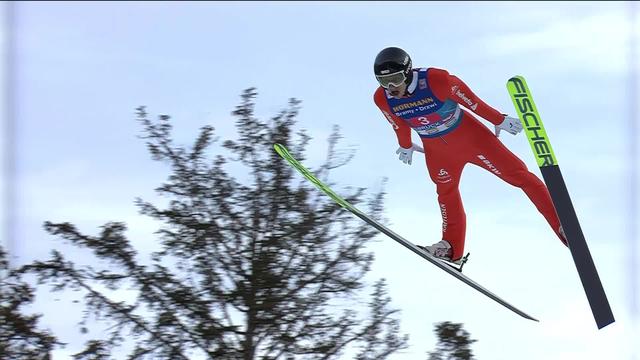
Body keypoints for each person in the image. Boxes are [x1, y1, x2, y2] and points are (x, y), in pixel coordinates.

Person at [373, 46, 567, 264]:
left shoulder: (438, 80)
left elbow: (472, 102)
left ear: (407, 72)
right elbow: (398, 124)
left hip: (472, 139)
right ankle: (451, 248)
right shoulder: (383, 98)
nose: (391, 87)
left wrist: (498, 119)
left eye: (396, 78)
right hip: (437, 151)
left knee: (519, 176)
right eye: (383, 81)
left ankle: (561, 224)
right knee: (446, 193)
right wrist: (405, 145)